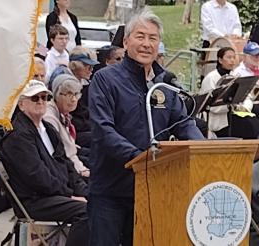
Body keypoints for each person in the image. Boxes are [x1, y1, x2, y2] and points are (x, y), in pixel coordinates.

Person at [87, 7, 204, 246]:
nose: (146, 44)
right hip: (110, 191)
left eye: (153, 38)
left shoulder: (164, 85)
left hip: (151, 191)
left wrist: (205, 151)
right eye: (140, 36)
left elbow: (183, 124)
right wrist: (140, 158)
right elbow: (103, 129)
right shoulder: (106, 79)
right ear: (126, 40)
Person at [0, 80, 88, 246]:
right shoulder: (17, 137)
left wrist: (85, 192)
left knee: (102, 200)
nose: (40, 101)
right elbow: (37, 177)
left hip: (54, 193)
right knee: (87, 211)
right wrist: (70, 195)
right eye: (34, 98)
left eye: (44, 97)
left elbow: (67, 165)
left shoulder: (48, 129)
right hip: (34, 200)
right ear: (21, 104)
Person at [43, 74, 89, 178]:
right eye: (69, 94)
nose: (73, 99)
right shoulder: (49, 118)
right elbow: (64, 154)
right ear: (56, 95)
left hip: (72, 161)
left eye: (76, 94)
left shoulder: (64, 114)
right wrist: (82, 170)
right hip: (64, 171)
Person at [199, 47, 237, 136]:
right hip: (215, 121)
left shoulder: (233, 75)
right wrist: (230, 106)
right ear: (220, 60)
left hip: (229, 117)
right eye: (229, 57)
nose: (232, 60)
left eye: (234, 57)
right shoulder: (211, 78)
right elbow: (211, 105)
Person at [234, 41, 259, 128]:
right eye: (254, 55)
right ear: (245, 57)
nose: (257, 58)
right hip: (249, 103)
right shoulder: (238, 72)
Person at [68, 48, 100, 149]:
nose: (91, 70)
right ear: (75, 65)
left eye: (92, 67)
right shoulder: (67, 84)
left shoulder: (86, 84)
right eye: (87, 66)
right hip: (73, 133)